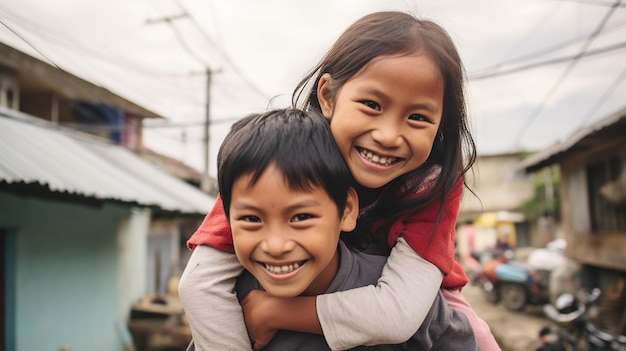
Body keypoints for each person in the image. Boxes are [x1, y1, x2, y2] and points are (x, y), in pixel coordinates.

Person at [179, 11, 501, 351]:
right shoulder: (281, 161)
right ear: (328, 97)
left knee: (478, 340)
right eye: (371, 104)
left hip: (416, 289)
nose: (389, 135)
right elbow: (201, 285)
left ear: (441, 126)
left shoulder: (431, 183)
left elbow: (400, 313)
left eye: (418, 117)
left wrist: (276, 311)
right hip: (317, 277)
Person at [185, 108, 480, 350]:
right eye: (252, 219)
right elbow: (197, 286)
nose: (276, 245)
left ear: (347, 210)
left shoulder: (416, 302)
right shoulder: (227, 310)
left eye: (300, 218)